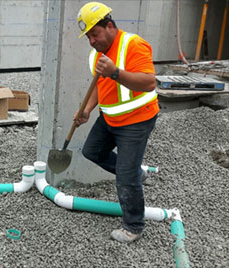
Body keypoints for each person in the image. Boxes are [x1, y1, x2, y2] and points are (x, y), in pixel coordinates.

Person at [75, 2, 159, 243]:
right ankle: (137, 172)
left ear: (109, 26)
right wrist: (87, 109)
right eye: (88, 36)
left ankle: (133, 225)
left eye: (95, 34)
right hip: (110, 118)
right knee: (91, 151)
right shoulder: (96, 55)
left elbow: (148, 82)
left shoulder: (133, 44)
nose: (92, 41)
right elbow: (99, 86)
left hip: (137, 119)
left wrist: (115, 72)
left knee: (125, 175)